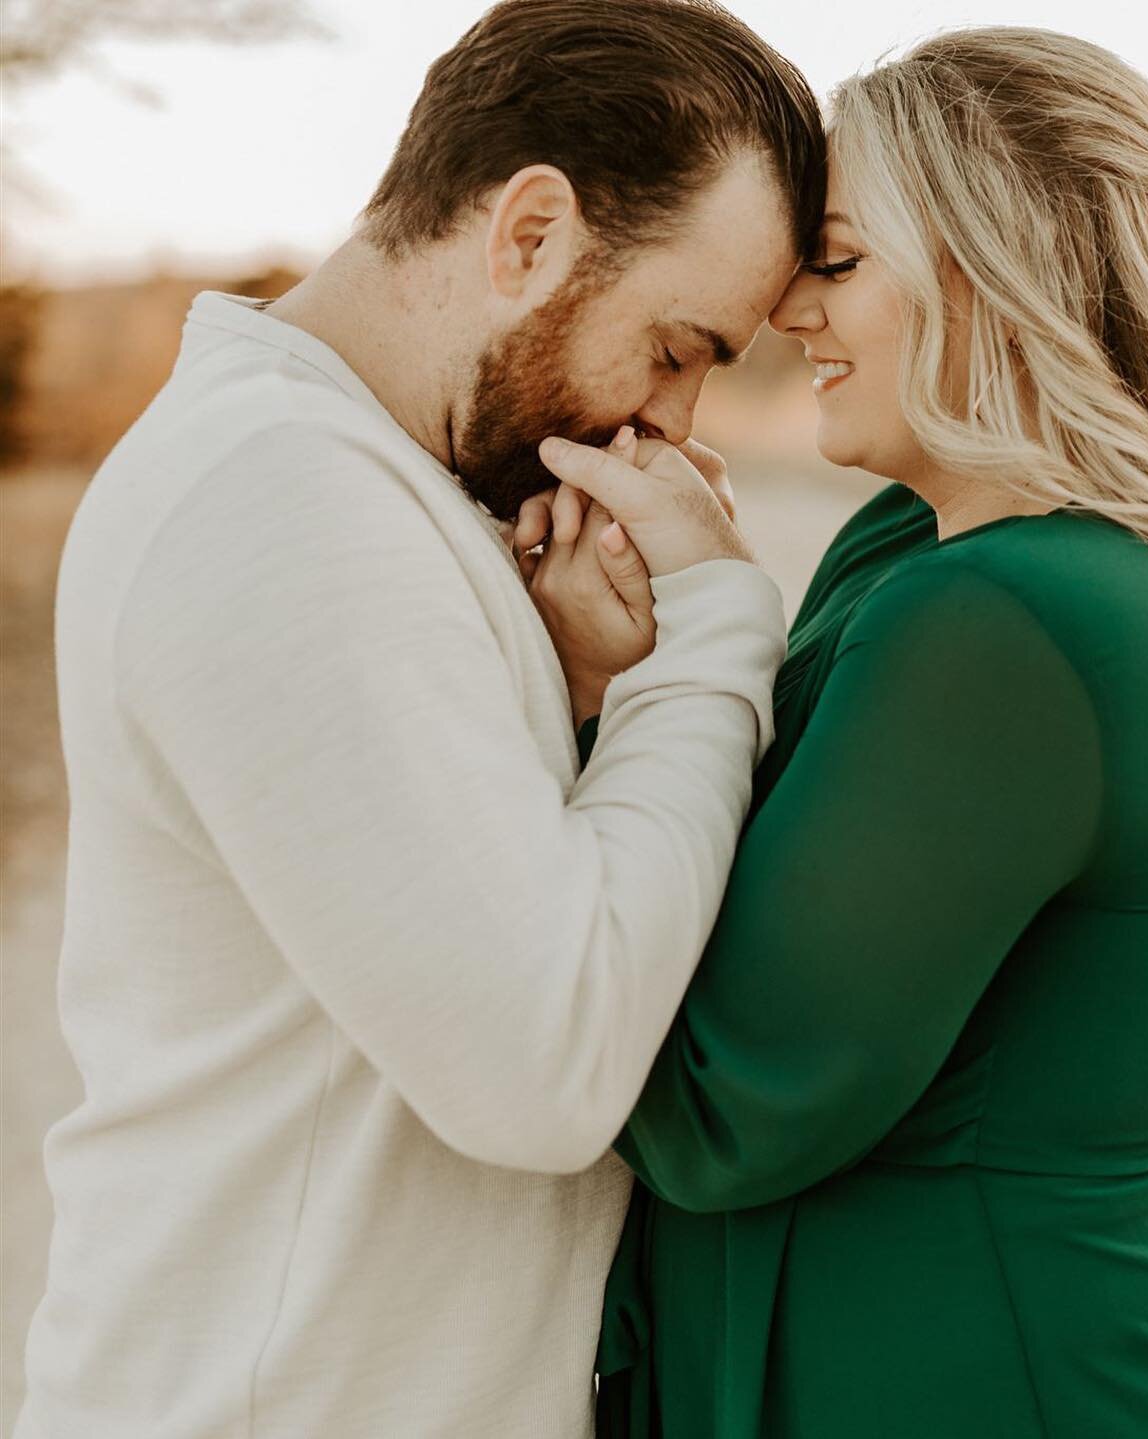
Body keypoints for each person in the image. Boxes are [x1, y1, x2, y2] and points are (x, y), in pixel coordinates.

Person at [528, 26, 1148, 1439]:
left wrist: (673, 647)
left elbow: (721, 1105)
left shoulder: (1005, 617)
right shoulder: (920, 551)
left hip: (1048, 1377)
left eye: (841, 260)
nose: (793, 305)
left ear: (990, 274)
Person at [16, 3, 825, 1435]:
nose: (675, 426)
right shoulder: (282, 499)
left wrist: (580, 696)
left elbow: (463, 908)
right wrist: (712, 633)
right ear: (527, 234)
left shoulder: (362, 486)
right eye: (678, 344)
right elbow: (544, 1064)